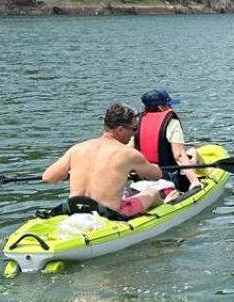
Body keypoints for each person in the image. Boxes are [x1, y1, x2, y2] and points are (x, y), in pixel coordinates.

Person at [42, 103, 171, 220]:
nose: (134, 134)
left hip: (75, 209)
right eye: (134, 129)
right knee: (152, 193)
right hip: (109, 214)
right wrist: (150, 166)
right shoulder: (128, 154)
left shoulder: (78, 148)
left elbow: (48, 177)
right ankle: (166, 210)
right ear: (120, 129)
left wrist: (69, 175)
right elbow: (156, 176)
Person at [137, 87, 199, 191]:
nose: (171, 108)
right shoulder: (171, 122)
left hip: (143, 176)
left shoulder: (137, 121)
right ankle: (195, 181)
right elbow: (178, 156)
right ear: (161, 107)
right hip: (168, 179)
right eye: (169, 105)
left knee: (191, 152)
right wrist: (195, 182)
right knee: (193, 152)